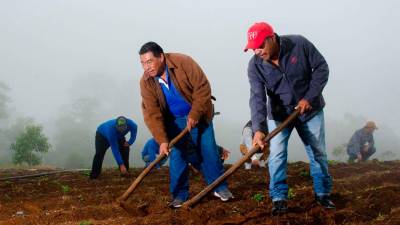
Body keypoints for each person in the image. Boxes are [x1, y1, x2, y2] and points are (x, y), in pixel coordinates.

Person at [244, 22, 335, 215]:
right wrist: (259, 129)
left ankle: (323, 193)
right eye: (253, 48)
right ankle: (278, 198)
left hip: (310, 112)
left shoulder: (299, 44)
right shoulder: (255, 65)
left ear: (271, 38)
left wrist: (308, 97)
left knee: (317, 152)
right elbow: (257, 97)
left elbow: (321, 68)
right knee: (276, 155)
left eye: (260, 46)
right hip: (279, 116)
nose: (258, 52)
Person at [139, 41, 233, 208]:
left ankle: (220, 188)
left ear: (161, 57)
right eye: (142, 63)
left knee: (209, 150)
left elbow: (203, 88)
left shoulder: (183, 62)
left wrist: (195, 114)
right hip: (173, 121)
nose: (146, 67)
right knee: (178, 156)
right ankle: (179, 196)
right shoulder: (146, 82)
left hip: (199, 113)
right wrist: (162, 140)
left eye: (149, 61)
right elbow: (152, 114)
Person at [141, 138, 230, 168]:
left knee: (168, 154)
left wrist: (221, 149)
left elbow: (205, 144)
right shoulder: (152, 143)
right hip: (146, 156)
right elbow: (152, 156)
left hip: (195, 153)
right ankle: (150, 165)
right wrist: (156, 167)